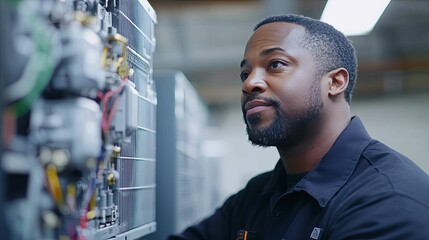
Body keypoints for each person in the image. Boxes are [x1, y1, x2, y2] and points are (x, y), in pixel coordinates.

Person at [168, 14, 429, 240]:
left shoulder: (387, 202)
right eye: (245, 74)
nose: (249, 84)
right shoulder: (258, 195)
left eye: (275, 64)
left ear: (336, 82)